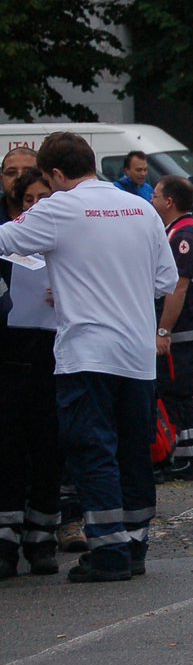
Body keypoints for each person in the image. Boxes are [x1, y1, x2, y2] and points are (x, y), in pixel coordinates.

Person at [0, 132, 177, 583]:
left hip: (86, 352)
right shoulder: (141, 208)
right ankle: (135, 544)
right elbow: (165, 280)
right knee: (134, 450)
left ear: (57, 174)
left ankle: (109, 550)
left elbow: (6, 241)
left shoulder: (60, 207)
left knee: (91, 448)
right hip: (136, 353)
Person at [0, 167, 63, 578]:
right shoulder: (6, 242)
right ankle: (6, 536)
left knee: (48, 448)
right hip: (8, 359)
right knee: (7, 449)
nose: (37, 207)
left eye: (45, 199)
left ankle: (42, 535)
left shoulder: (69, 245)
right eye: (29, 201)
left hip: (55, 359)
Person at [150, 176, 193, 482]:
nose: (151, 199)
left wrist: (163, 331)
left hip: (181, 327)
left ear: (169, 202)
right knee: (174, 390)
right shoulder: (178, 230)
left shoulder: (184, 235)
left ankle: (184, 458)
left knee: (175, 390)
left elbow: (178, 288)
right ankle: (181, 453)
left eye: (156, 195)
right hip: (182, 326)